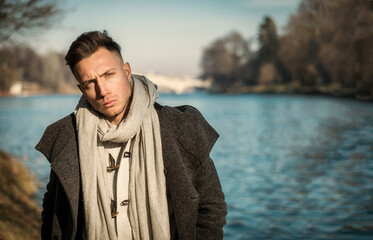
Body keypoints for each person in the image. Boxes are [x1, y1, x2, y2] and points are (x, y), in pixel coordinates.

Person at [36, 30, 227, 240]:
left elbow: (211, 206)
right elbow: (54, 212)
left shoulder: (178, 127)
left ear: (126, 71)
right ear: (81, 89)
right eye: (90, 83)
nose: (102, 91)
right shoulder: (68, 137)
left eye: (108, 75)